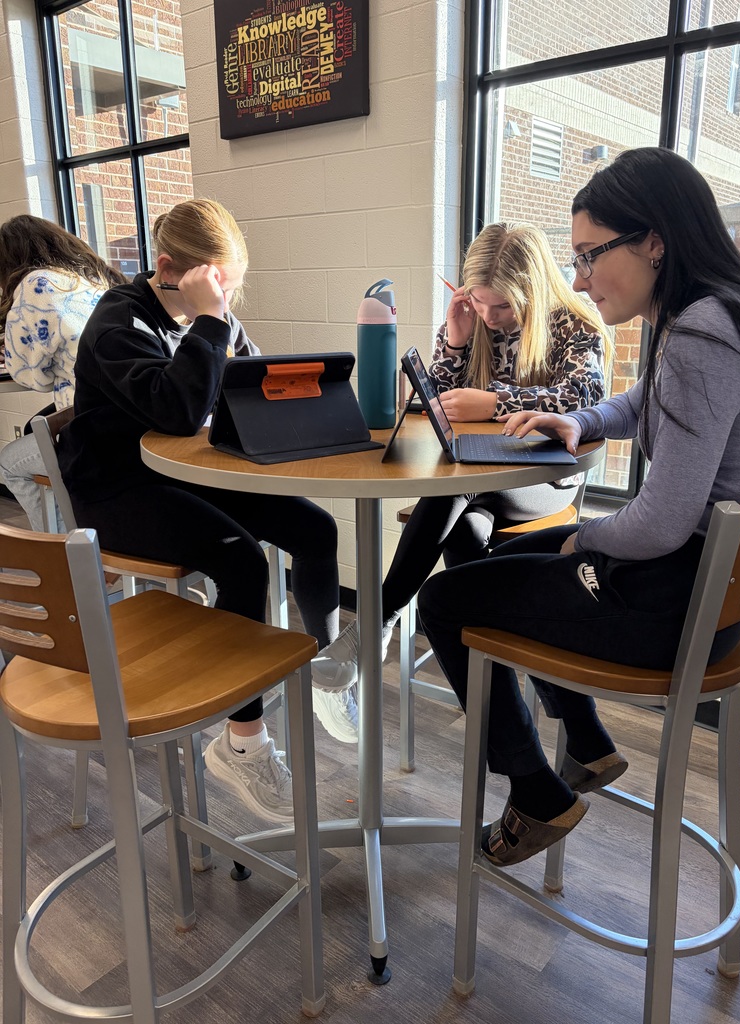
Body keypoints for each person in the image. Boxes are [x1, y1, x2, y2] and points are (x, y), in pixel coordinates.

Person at [418, 148, 740, 867]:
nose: (576, 278)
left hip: (670, 603)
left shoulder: (700, 335)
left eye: (588, 256)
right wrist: (583, 423)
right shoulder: (726, 314)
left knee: (446, 602)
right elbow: (643, 402)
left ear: (653, 241)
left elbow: (663, 522)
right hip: (710, 600)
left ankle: (537, 794)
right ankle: (588, 745)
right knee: (512, 562)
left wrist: (586, 541)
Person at [56, 198, 361, 822]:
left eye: (229, 292)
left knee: (314, 527)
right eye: (215, 289)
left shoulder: (205, 314)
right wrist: (210, 321)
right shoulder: (118, 324)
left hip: (183, 472)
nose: (225, 306)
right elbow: (174, 408)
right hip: (116, 490)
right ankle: (241, 744)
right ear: (168, 268)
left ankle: (327, 671)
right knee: (244, 565)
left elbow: (246, 379)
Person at [378, 222, 608, 656]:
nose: (488, 316)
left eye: (501, 306)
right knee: (463, 526)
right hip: (480, 479)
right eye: (479, 301)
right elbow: (438, 402)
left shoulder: (576, 325)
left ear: (533, 292)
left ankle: (379, 619)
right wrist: (456, 341)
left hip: (543, 480)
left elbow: (583, 397)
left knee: (459, 483)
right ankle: (485, 666)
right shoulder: (474, 323)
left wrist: (493, 403)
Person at [0, 215, 125, 531]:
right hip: (128, 418)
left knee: (8, 464)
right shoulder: (95, 279)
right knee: (34, 430)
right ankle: (78, 537)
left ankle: (60, 557)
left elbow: (33, 377)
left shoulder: (35, 284)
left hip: (96, 431)